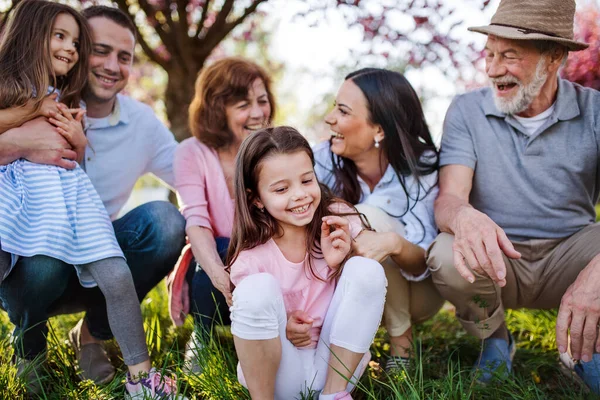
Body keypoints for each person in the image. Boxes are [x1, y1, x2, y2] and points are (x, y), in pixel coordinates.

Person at [0, 5, 186, 395]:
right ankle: (29, 349)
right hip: (31, 260)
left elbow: (192, 174)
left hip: (87, 242)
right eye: (98, 49)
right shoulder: (24, 93)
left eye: (125, 57)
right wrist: (20, 141)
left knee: (166, 222)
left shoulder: (130, 120)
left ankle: (95, 340)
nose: (110, 65)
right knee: (44, 260)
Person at [426, 0, 600, 390]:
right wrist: (464, 217)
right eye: (489, 54)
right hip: (499, 258)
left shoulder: (596, 113)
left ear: (553, 57)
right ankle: (496, 339)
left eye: (509, 55)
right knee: (444, 252)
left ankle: (588, 346)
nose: (492, 69)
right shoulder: (466, 111)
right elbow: (449, 199)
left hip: (571, 253)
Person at [227, 126, 386, 400]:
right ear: (256, 200)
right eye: (281, 189)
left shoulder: (336, 219)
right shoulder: (251, 259)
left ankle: (334, 397)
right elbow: (257, 320)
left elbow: (365, 291)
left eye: (306, 180)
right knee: (255, 289)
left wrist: (346, 257)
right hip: (280, 374)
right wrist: (285, 325)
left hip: (337, 366)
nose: (300, 194)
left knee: (367, 269)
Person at [314, 68, 443, 371]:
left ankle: (402, 339)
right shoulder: (320, 160)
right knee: (349, 220)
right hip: (348, 291)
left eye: (343, 111)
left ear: (379, 131)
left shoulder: (421, 170)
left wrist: (394, 243)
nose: (330, 118)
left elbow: (422, 264)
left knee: (365, 217)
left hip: (419, 294)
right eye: (334, 106)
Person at [167, 57, 275, 371]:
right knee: (220, 250)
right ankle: (203, 332)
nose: (257, 113)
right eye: (243, 104)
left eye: (262, 101)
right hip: (216, 261)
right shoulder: (192, 152)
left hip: (270, 260)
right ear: (218, 110)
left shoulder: (276, 147)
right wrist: (221, 277)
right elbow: (196, 222)